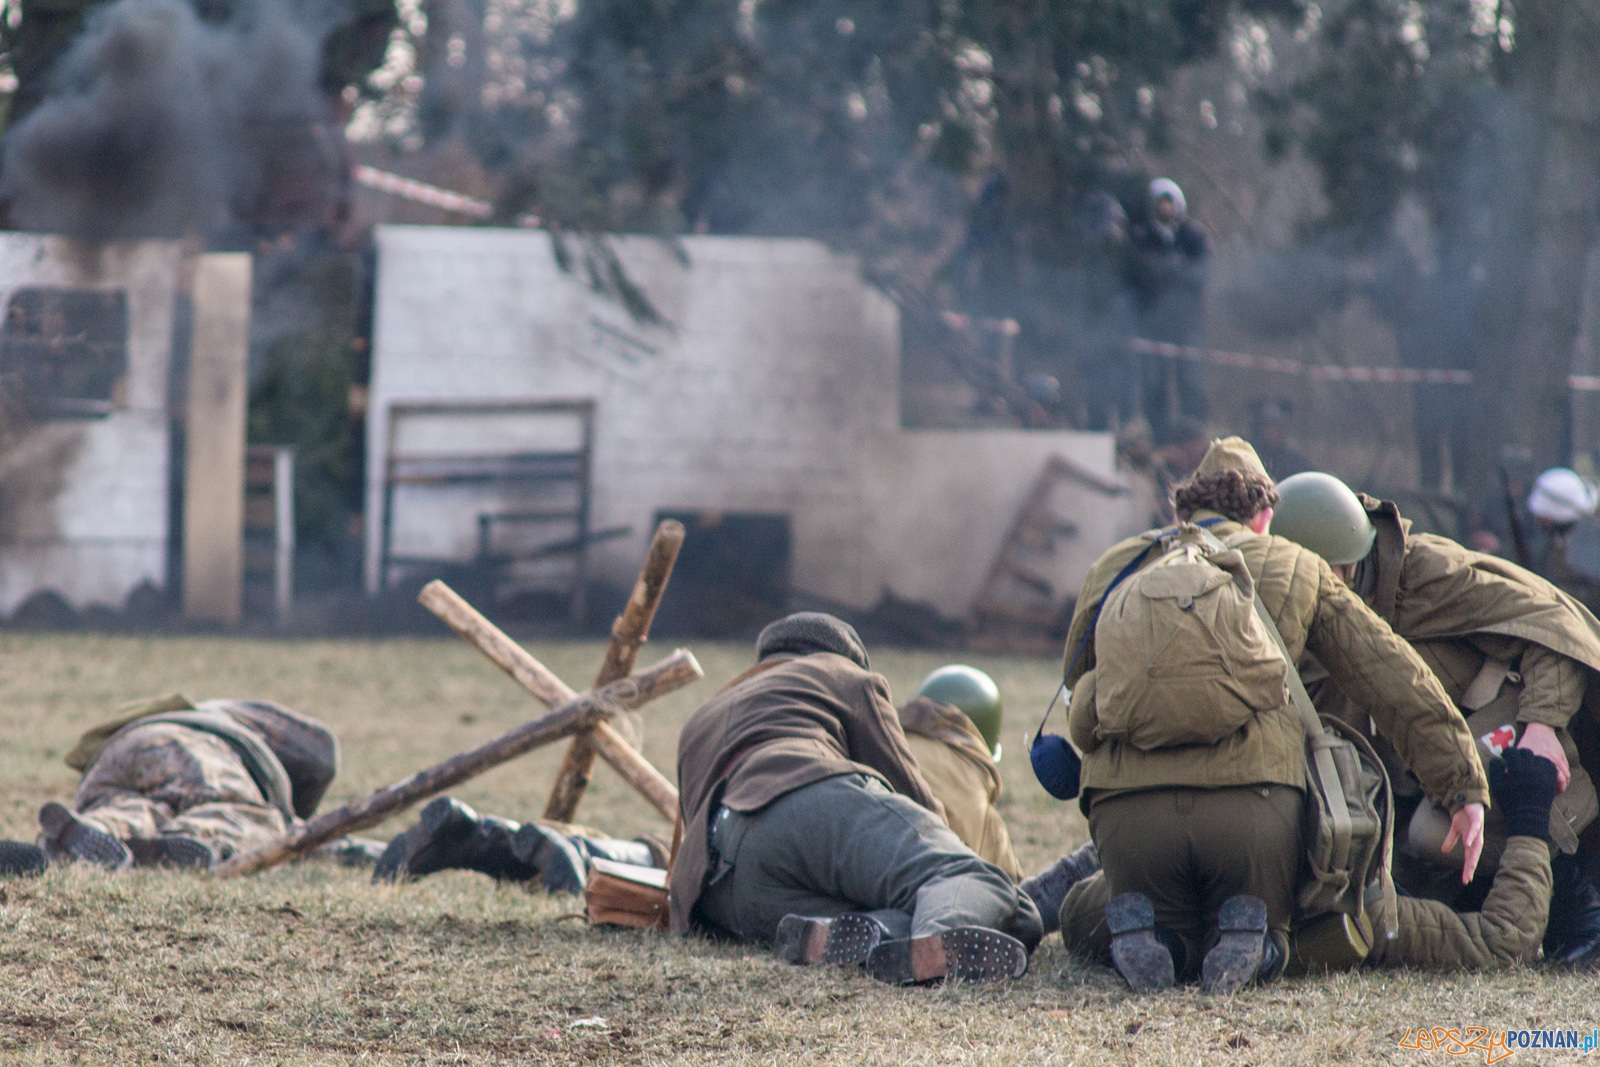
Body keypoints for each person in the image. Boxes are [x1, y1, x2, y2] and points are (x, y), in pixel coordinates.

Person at [1059, 437, 1488, 993]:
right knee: (1274, 910)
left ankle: (1165, 937)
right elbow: (1392, 676)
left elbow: (1078, 687)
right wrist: (1461, 784)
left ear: (1181, 512)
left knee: (1081, 915)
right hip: (1255, 813)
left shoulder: (1114, 568)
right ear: (1265, 516)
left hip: (1129, 819)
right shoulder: (1296, 565)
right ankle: (1262, 941)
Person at [1272, 470, 1600, 967]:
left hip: (1520, 731)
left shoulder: (1428, 575)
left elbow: (1555, 630)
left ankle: (1579, 899)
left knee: (1433, 830)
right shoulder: (1310, 622)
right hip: (1426, 772)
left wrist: (1542, 725)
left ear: (1342, 564)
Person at [673, 613, 1042, 985]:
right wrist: (950, 855)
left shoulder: (700, 719)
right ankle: (934, 945)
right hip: (799, 806)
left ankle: (877, 933)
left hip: (718, 895)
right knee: (984, 887)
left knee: (885, 911)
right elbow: (908, 792)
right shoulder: (842, 673)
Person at [1061, 748, 1559, 972]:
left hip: (1211, 845)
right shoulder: (1373, 907)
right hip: (1326, 892)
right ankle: (1259, 952)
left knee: (1088, 911)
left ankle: (1179, 945)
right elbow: (1503, 940)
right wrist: (1531, 819)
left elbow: (1078, 912)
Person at [18, 694, 355, 871]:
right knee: (238, 813)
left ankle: (92, 829)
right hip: (184, 744)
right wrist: (285, 816)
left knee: (143, 810)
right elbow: (321, 753)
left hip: (107, 763)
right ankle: (187, 839)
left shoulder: (193, 712)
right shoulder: (234, 720)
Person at [1126, 178, 1209, 444]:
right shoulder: (1142, 236)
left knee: (1190, 380)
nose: (1165, 208)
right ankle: (1159, 434)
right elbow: (1135, 273)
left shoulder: (1193, 235)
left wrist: (1177, 271)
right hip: (1153, 322)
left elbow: (1203, 271)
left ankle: (1192, 434)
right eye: (1160, 203)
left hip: (1186, 322)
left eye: (1169, 203)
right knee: (1154, 382)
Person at [1249, 399, 1313, 482]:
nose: (1273, 432)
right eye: (1268, 427)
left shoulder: (1295, 463)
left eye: (1277, 427)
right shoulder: (1250, 459)